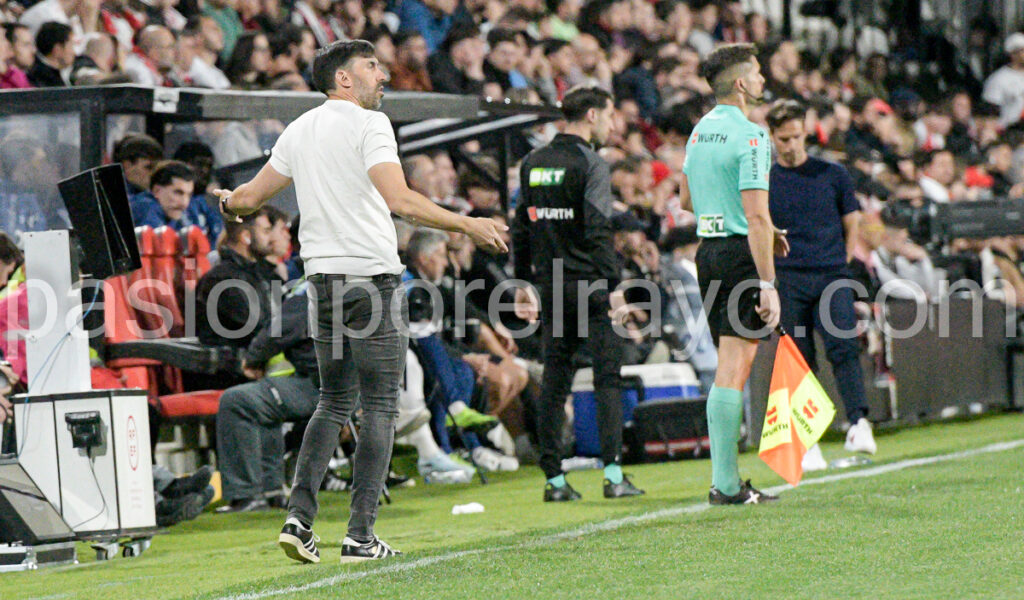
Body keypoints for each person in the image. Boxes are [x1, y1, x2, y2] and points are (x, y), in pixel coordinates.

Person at [214, 39, 506, 564]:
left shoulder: (299, 129)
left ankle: (299, 520)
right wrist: (468, 222)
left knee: (333, 400)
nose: (383, 74)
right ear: (343, 79)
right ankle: (359, 535)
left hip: (322, 282)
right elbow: (401, 201)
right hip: (370, 282)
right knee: (378, 407)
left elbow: (249, 199)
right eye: (372, 66)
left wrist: (227, 202)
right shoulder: (370, 125)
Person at [512, 85, 644, 502]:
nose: (609, 126)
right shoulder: (591, 163)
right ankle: (613, 475)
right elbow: (598, 229)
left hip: (551, 285)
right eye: (607, 117)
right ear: (590, 115)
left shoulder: (532, 162)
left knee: (556, 378)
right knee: (607, 376)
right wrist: (614, 288)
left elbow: (521, 226)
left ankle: (553, 481)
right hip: (590, 285)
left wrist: (523, 283)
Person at [678, 43, 782, 505]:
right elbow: (756, 218)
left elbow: (686, 199)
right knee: (734, 368)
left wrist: (733, 218)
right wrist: (768, 283)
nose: (762, 82)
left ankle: (726, 481)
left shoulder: (700, 132)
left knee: (728, 363)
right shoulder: (753, 135)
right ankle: (725, 484)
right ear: (741, 83)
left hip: (709, 252)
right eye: (758, 75)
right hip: (741, 257)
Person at [765, 99, 877, 470]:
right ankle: (808, 439)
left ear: (806, 132)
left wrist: (842, 262)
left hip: (831, 274)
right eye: (783, 139)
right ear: (772, 137)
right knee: (798, 359)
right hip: (790, 277)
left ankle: (859, 422)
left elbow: (852, 222)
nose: (791, 145)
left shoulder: (833, 174)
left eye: (796, 137)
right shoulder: (765, 180)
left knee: (843, 347)